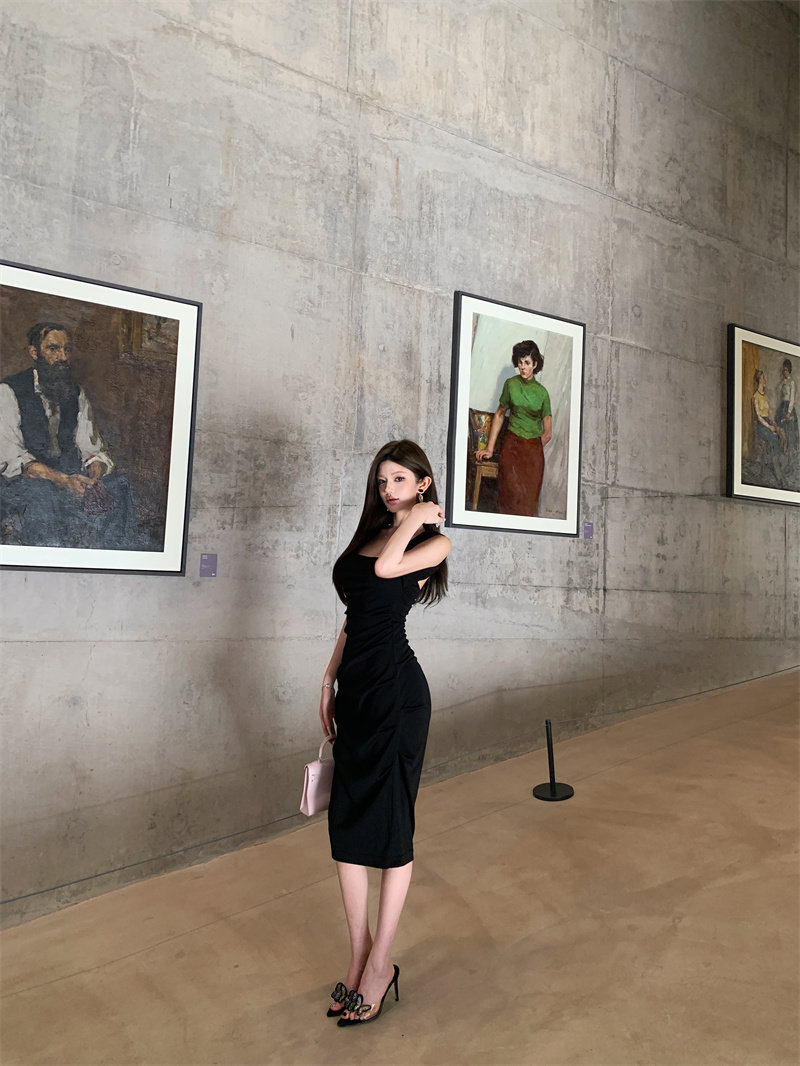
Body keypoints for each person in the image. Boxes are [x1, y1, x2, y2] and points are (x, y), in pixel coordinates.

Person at [319, 439, 451, 1027]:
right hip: (357, 695)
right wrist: (329, 679)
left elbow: (384, 570)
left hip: (398, 697)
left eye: (400, 479)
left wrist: (417, 517)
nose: (388, 489)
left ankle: (381, 965)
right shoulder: (371, 535)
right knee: (346, 826)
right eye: (382, 481)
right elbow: (355, 616)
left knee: (392, 827)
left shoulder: (432, 544)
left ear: (422, 483)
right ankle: (357, 957)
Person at [0, 321, 139, 548]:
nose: (63, 357)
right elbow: (13, 459)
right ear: (34, 352)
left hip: (71, 478)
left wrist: (94, 477)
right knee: (42, 497)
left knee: (119, 486)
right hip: (24, 482)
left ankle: (115, 558)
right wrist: (63, 480)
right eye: (53, 349)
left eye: (67, 350)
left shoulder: (75, 393)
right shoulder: (8, 391)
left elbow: (91, 447)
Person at [475, 339, 552, 516]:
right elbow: (500, 415)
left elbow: (548, 432)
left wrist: (533, 448)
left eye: (527, 363)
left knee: (528, 504)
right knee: (508, 499)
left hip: (533, 454)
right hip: (512, 447)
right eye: (520, 362)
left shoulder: (542, 393)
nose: (522, 367)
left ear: (535, 364)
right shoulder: (510, 384)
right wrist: (489, 449)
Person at [752, 368, 783, 485]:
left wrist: (772, 421)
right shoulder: (756, 396)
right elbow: (759, 417)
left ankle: (775, 462)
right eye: (763, 378)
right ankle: (777, 471)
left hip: (767, 422)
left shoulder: (765, 396)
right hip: (761, 426)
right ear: (759, 380)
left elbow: (767, 413)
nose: (765, 380)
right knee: (773, 437)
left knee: (780, 434)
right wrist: (769, 427)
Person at [777, 358, 798, 462]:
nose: (784, 372)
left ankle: (790, 457)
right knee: (782, 431)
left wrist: (789, 412)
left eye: (786, 370)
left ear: (789, 370)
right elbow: (778, 392)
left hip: (789, 408)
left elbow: (792, 398)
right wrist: (782, 384)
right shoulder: (783, 382)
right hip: (782, 407)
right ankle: (782, 456)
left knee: (790, 433)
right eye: (783, 370)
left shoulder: (792, 382)